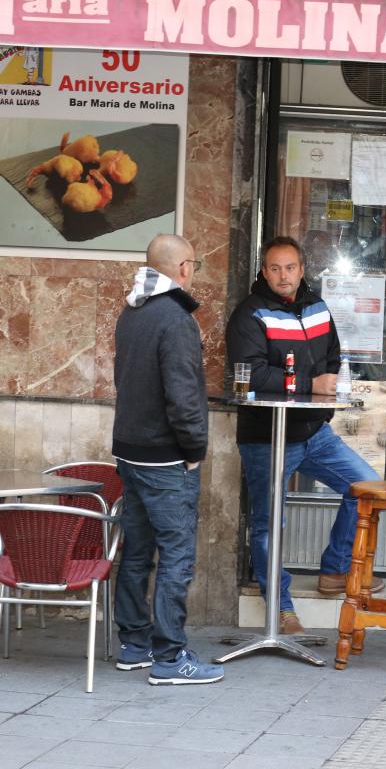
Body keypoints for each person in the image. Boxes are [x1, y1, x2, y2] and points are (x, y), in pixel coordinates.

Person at [225, 236, 380, 634]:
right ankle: (282, 609)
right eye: (275, 268)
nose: (283, 275)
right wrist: (311, 382)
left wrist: (324, 390)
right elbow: (251, 373)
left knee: (367, 487)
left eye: (290, 267)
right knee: (268, 524)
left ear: (302, 270)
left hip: (313, 432)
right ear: (264, 271)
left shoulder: (316, 307)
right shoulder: (250, 314)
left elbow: (333, 357)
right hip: (267, 437)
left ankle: (336, 570)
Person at [112, 233, 224, 686]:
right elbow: (182, 397)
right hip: (165, 458)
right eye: (193, 264)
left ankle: (135, 646)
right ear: (181, 269)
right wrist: (195, 449)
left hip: (130, 452)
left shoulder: (131, 310)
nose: (193, 271)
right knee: (176, 555)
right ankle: (170, 658)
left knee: (137, 552)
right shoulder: (175, 319)